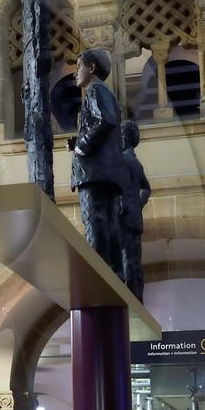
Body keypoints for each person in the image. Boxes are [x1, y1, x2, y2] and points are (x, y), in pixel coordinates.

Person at [68, 47, 125, 272]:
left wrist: (81, 146)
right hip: (106, 171)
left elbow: (106, 120)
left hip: (94, 172)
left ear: (91, 68)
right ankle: (113, 271)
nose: (75, 73)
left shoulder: (95, 91)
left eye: (78, 67)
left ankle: (98, 271)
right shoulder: (105, 93)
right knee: (108, 223)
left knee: (95, 220)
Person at [20, 0, 56, 196]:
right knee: (32, 120)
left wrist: (43, 46)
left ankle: (42, 189)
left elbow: (42, 7)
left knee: (38, 120)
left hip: (36, 46)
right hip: (31, 50)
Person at [118, 118, 151, 300]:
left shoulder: (122, 159)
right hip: (134, 216)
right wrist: (138, 204)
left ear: (124, 138)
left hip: (124, 216)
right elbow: (146, 188)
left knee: (127, 260)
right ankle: (136, 296)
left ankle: (130, 297)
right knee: (133, 259)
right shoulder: (136, 162)